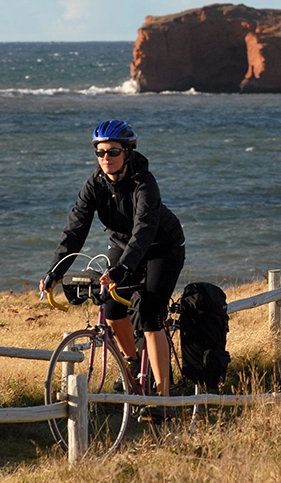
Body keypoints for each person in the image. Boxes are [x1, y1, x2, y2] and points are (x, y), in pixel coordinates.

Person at [39, 120, 185, 417]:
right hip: (122, 244)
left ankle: (163, 398)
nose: (105, 158)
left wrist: (123, 269)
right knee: (110, 306)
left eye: (113, 151)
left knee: (150, 313)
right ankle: (131, 362)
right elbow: (75, 228)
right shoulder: (95, 183)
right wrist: (55, 271)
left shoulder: (145, 183)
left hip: (162, 247)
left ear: (128, 152)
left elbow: (144, 230)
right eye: (100, 152)